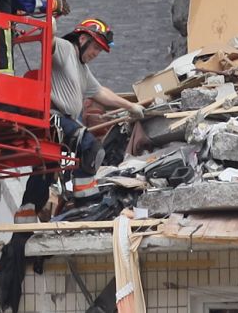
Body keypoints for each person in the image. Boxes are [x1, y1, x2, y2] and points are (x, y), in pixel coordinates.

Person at [14, 19, 144, 222]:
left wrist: (130, 106)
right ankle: (86, 203)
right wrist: (51, 24)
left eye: (99, 51)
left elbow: (101, 92)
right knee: (91, 147)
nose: (95, 54)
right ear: (82, 39)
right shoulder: (65, 50)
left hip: (59, 122)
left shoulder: (82, 70)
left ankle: (27, 211)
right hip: (52, 116)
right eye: (95, 48)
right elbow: (50, 42)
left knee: (46, 169)